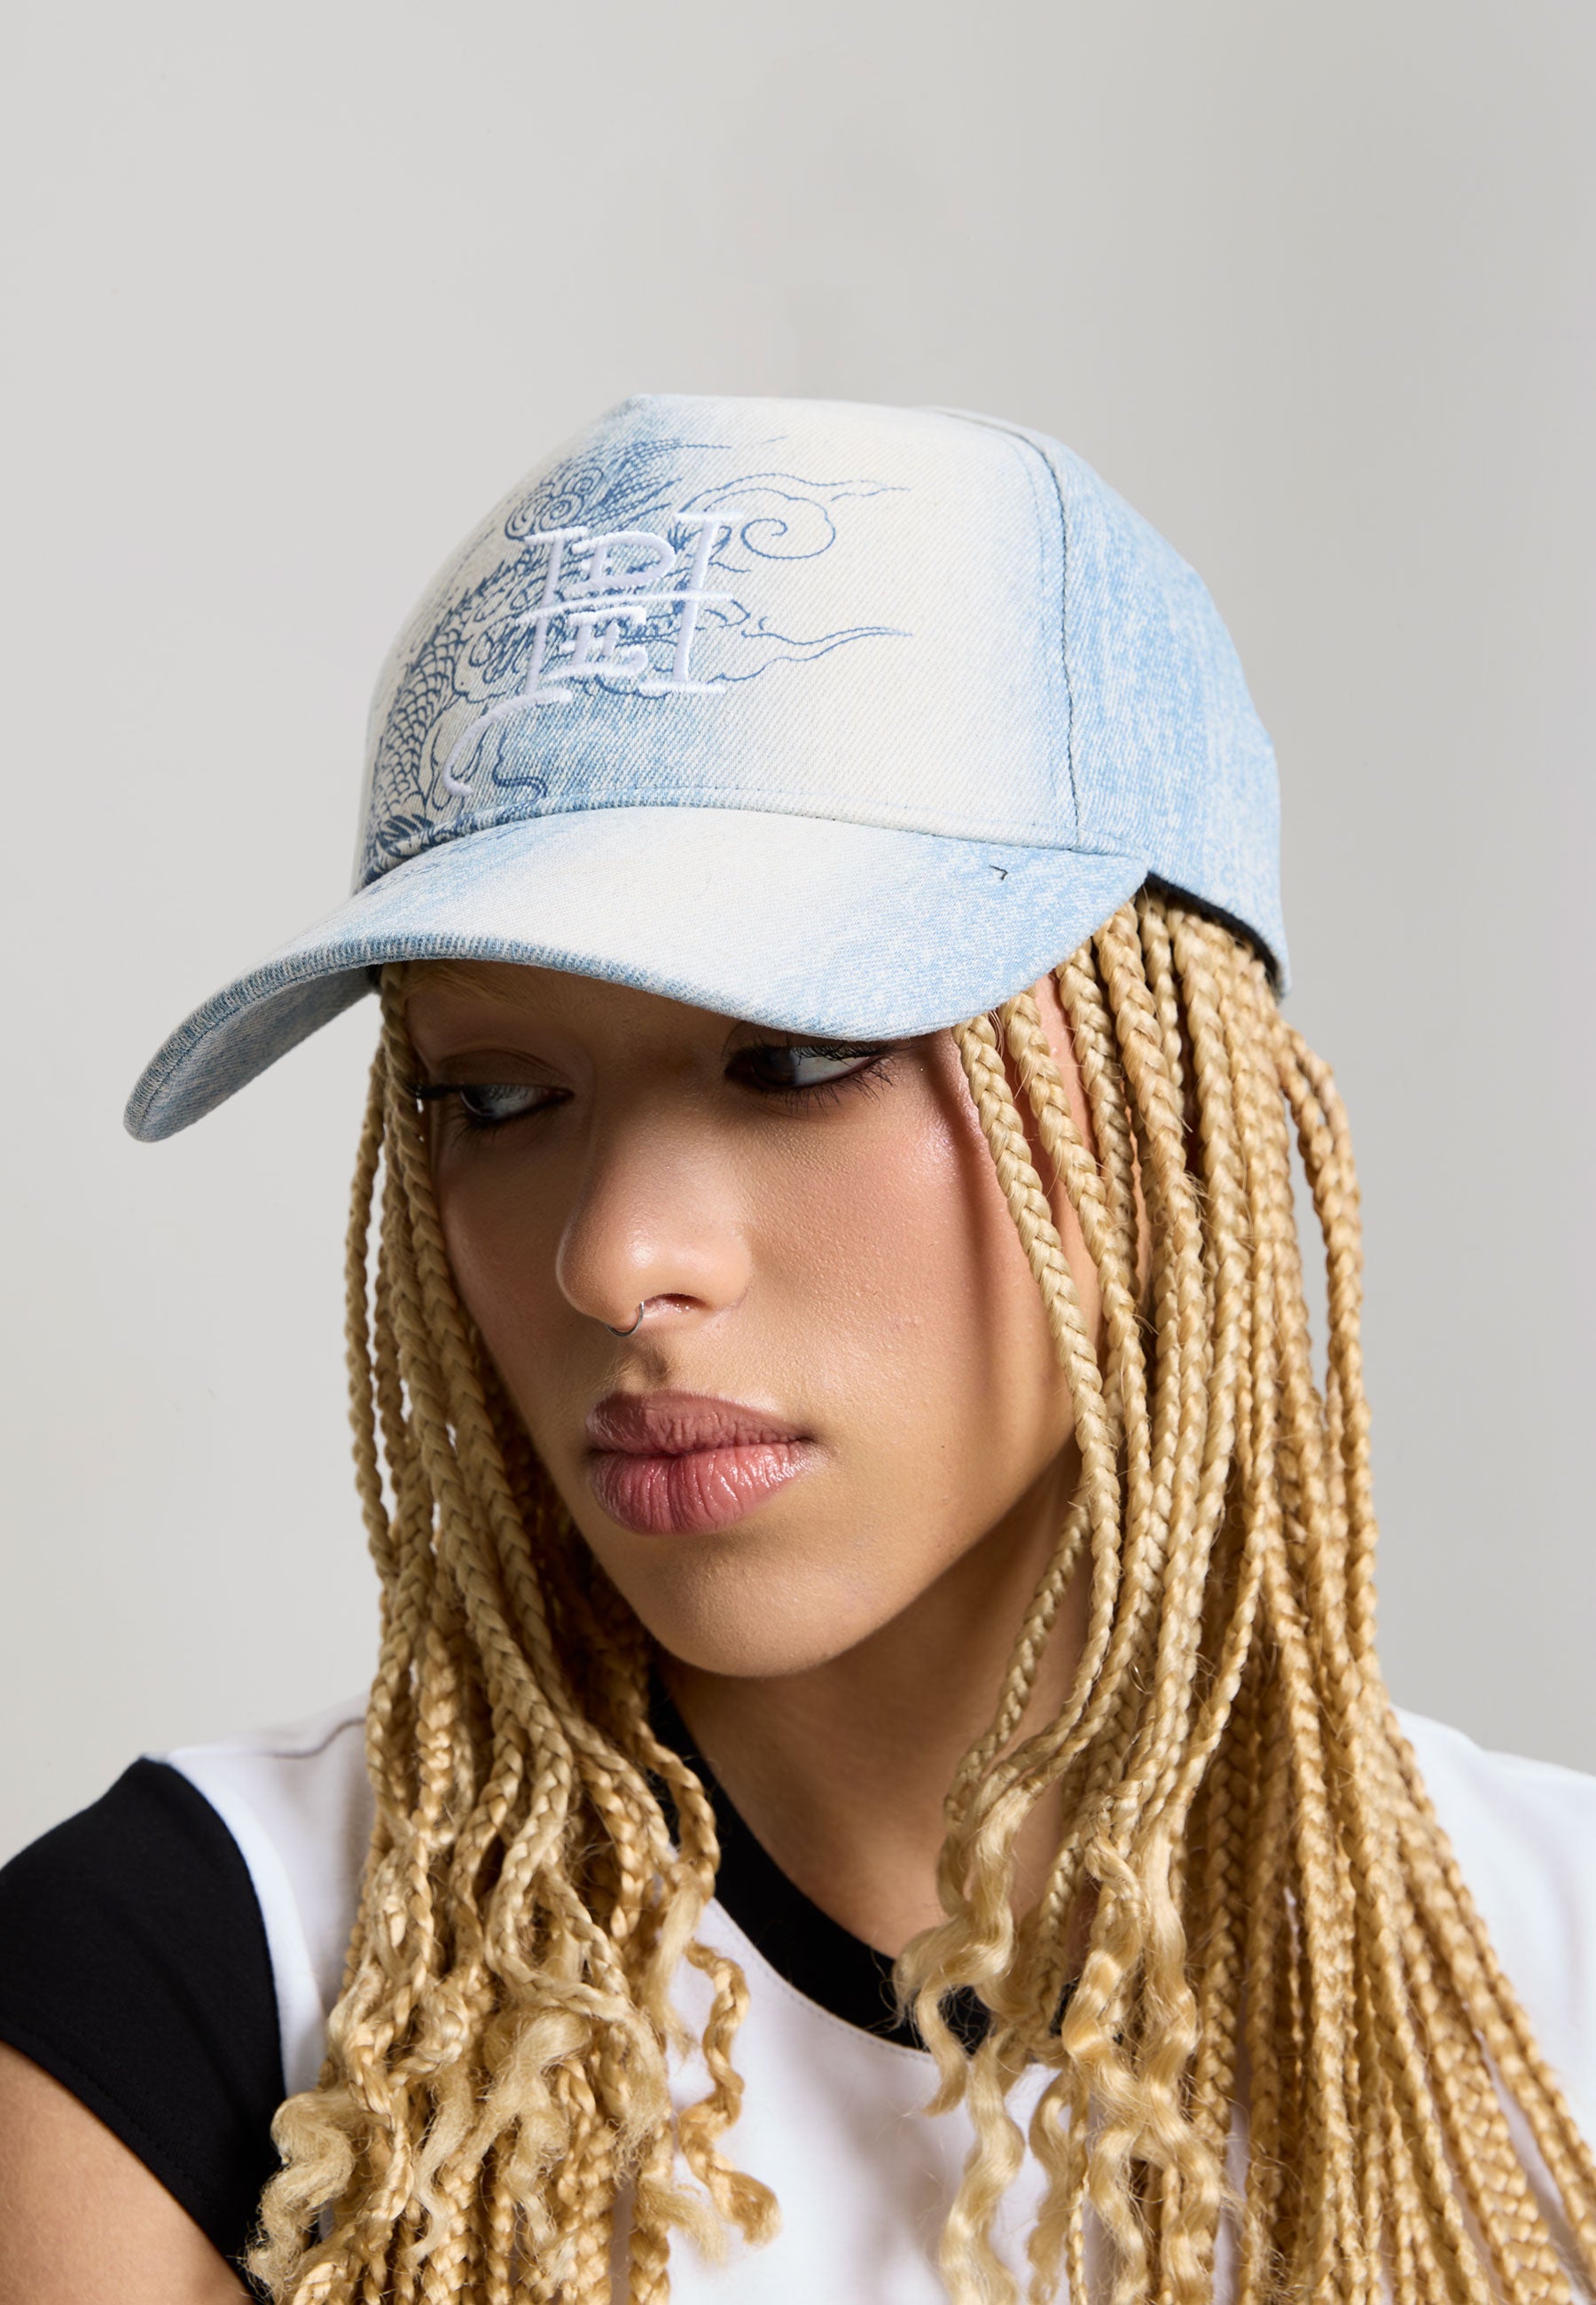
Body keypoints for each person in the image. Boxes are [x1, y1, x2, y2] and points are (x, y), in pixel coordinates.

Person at [1, 394, 1592, 2305]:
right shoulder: (189, 1998)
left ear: (1175, 1111)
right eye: (494, 1098)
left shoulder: (1557, 1988)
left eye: (800, 1057)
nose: (613, 1258)